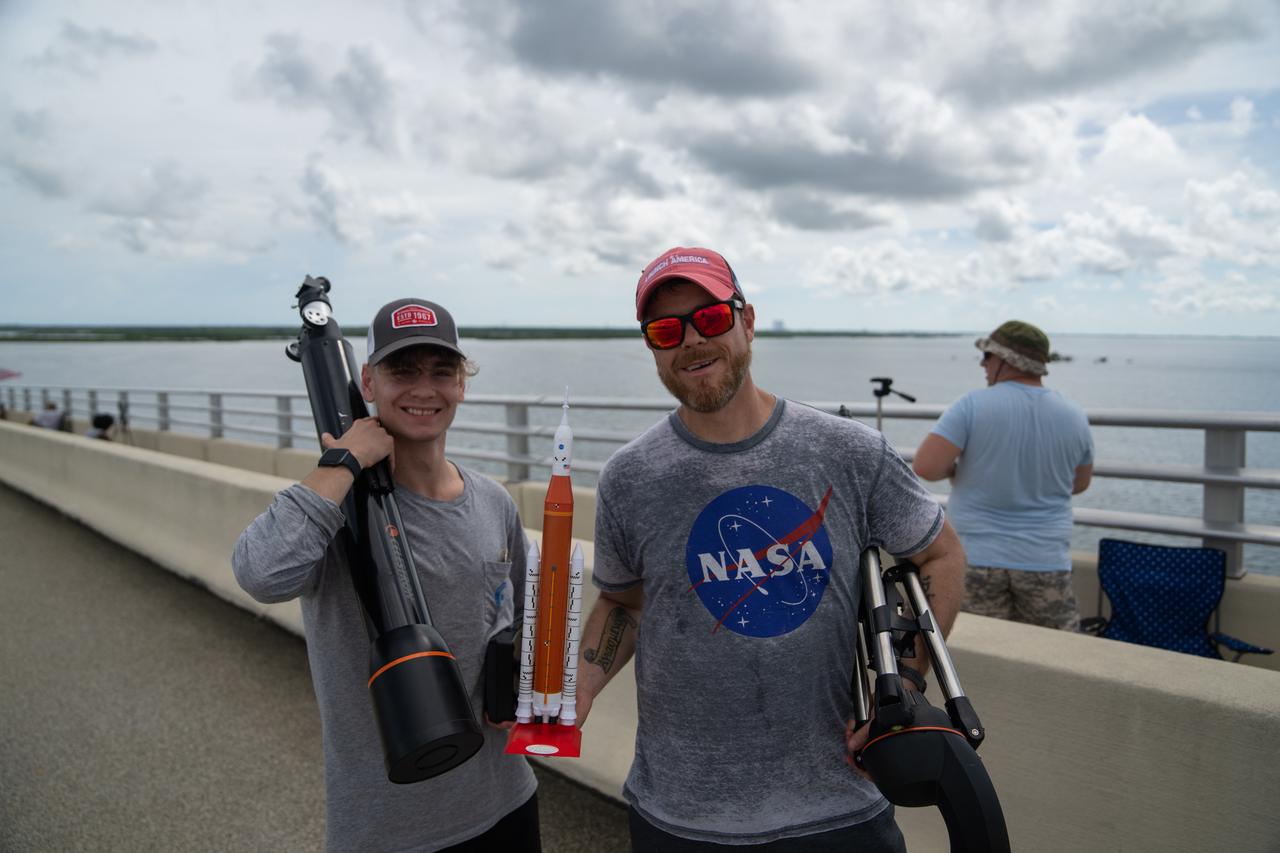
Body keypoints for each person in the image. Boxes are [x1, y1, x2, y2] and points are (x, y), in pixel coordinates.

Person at [575, 246, 966, 851]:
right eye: (666, 330)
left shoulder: (850, 452)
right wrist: (581, 683)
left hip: (840, 805)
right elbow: (625, 604)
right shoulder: (630, 476)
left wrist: (904, 688)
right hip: (679, 814)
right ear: (651, 346)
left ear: (746, 321)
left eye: (709, 319)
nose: (691, 342)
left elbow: (939, 554)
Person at [232, 298, 539, 853]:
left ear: (461, 385)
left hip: (507, 802)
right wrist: (343, 463)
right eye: (403, 370)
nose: (424, 389)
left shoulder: (494, 503)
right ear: (368, 381)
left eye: (441, 371)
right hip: (388, 830)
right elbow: (260, 574)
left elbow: (516, 624)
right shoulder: (339, 510)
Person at [912, 320, 1094, 631]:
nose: (983, 364)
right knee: (1052, 657)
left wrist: (956, 470)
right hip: (1045, 559)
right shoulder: (1074, 414)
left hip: (976, 557)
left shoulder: (972, 405)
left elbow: (926, 467)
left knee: (977, 658)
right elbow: (1079, 484)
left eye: (988, 356)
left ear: (1006, 360)